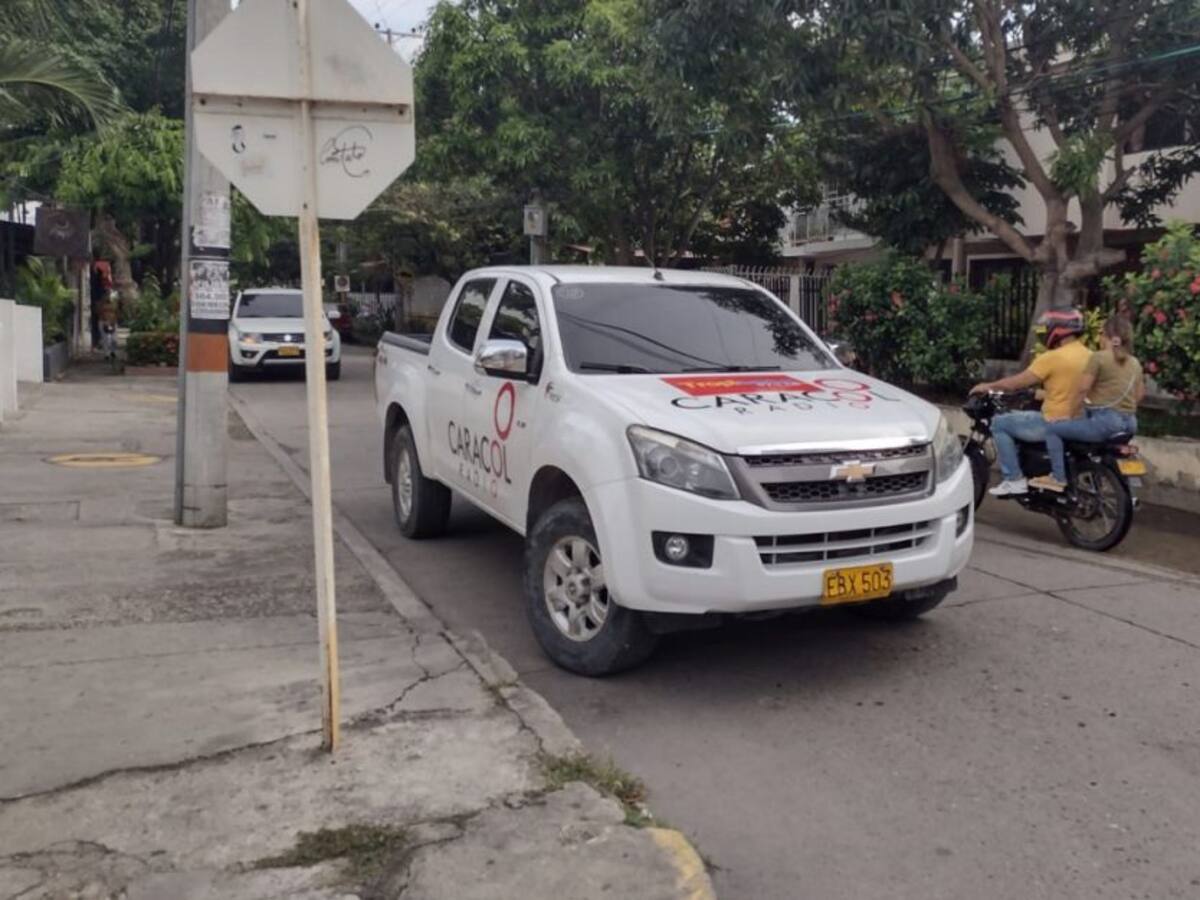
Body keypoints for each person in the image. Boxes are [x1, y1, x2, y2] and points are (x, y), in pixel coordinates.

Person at [969, 308, 1091, 496]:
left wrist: (988, 386)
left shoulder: (1053, 357)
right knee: (1019, 419)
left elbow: (1017, 382)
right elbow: (1071, 389)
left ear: (1058, 330)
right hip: (1080, 421)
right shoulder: (1089, 356)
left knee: (1000, 423)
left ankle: (1014, 479)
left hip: (1052, 422)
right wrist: (1039, 394)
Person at [1030, 316, 1144, 492]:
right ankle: (1122, 490)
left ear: (1105, 335)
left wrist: (1068, 415)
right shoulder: (1134, 362)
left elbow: (1082, 390)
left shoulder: (1098, 358)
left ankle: (1057, 478)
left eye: (1100, 333)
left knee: (1054, 429)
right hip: (1130, 423)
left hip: (1105, 422)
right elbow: (1140, 394)